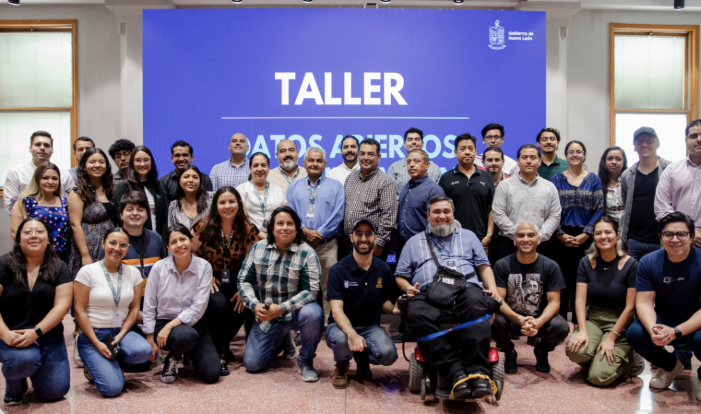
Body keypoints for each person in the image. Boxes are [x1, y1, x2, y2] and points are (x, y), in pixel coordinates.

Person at [395, 196, 502, 400]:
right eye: (436, 212)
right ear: (428, 215)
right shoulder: (413, 242)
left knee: (477, 304)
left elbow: (484, 266)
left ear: (453, 214)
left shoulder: (469, 237)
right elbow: (400, 275)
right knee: (415, 314)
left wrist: (493, 288)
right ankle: (456, 372)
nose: (442, 216)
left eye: (446, 211)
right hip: (427, 292)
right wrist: (407, 287)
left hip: (466, 288)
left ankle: (478, 373)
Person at [238, 206, 323, 382]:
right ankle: (284, 339)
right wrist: (255, 304)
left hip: (296, 312)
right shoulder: (258, 248)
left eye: (290, 224)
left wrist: (282, 308)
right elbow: (243, 280)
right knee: (253, 364)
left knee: (313, 314)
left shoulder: (307, 252)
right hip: (268, 314)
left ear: (297, 228)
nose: (285, 227)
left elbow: (312, 290)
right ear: (272, 228)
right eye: (280, 223)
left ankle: (306, 362)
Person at [626, 212, 701, 400]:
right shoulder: (648, 261)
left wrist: (676, 331)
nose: (675, 239)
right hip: (665, 317)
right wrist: (653, 330)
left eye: (681, 234)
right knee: (636, 334)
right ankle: (670, 366)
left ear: (691, 236)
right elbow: (644, 302)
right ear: (660, 237)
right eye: (668, 234)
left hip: (696, 321)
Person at [0, 217, 72, 405]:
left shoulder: (60, 267)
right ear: (18, 239)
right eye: (27, 232)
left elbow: (62, 306)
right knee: (23, 360)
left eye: (40, 232)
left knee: (55, 391)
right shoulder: (3, 264)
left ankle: (33, 368)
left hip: (48, 336)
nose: (34, 235)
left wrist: (36, 332)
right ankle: (15, 387)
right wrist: (5, 333)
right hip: (12, 335)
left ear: (48, 239)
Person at [566, 217, 644, 386]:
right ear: (593, 237)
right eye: (598, 233)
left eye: (608, 232)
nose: (603, 236)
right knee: (575, 351)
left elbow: (630, 307)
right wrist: (582, 330)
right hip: (594, 317)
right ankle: (597, 357)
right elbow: (580, 300)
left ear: (617, 235)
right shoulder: (585, 262)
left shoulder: (631, 264)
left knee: (598, 378)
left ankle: (631, 360)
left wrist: (611, 338)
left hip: (620, 321)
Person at [74, 228, 152, 397]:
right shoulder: (88, 272)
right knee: (112, 390)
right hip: (94, 335)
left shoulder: (133, 273)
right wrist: (96, 342)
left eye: (123, 245)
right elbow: (79, 311)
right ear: (103, 244)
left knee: (143, 352)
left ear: (127, 248)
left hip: (120, 332)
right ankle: (94, 366)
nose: (117, 248)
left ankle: (109, 365)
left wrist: (122, 333)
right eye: (112, 243)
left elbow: (134, 309)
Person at [191, 186, 259, 374]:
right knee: (219, 305)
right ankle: (220, 354)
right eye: (222, 202)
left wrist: (243, 289)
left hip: (236, 276)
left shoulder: (247, 228)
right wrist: (206, 273)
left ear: (239, 204)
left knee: (238, 310)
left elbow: (249, 263)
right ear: (215, 205)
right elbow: (191, 252)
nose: (227, 206)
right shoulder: (204, 225)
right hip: (210, 275)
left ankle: (219, 345)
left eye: (231, 202)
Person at [326, 217, 398, 389]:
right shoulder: (337, 270)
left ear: (375, 238)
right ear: (351, 238)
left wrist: (393, 309)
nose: (363, 238)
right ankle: (342, 363)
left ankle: (362, 358)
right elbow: (336, 310)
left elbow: (384, 301)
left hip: (369, 326)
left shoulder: (384, 269)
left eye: (368, 234)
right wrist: (352, 334)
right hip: (339, 326)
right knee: (341, 340)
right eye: (359, 234)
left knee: (388, 355)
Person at [143, 224, 220, 384]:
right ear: (167, 247)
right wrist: (150, 337)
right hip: (163, 324)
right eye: (173, 242)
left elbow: (198, 308)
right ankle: (174, 357)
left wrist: (170, 326)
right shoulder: (159, 268)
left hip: (194, 324)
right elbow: (149, 305)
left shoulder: (204, 267)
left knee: (212, 374)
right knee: (186, 336)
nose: (179, 245)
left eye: (183, 239)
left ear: (191, 241)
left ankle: (180, 354)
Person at [491, 221, 569, 374]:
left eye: (530, 235)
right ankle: (510, 352)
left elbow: (554, 303)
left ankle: (541, 351)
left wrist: (538, 322)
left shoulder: (551, 266)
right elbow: (499, 301)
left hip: (538, 320)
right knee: (494, 322)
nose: (526, 239)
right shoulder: (501, 265)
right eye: (521, 236)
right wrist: (519, 319)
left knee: (561, 327)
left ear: (538, 240)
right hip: (512, 319)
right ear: (514, 240)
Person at [286, 147, 345, 320]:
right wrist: (304, 230)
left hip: (328, 245)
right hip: (301, 245)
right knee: (300, 287)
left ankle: (329, 323)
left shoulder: (336, 186)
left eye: (319, 161)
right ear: (304, 163)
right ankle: (301, 325)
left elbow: (338, 214)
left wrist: (318, 234)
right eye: (311, 160)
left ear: (325, 164)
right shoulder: (293, 187)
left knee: (329, 287)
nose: (315, 164)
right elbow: (290, 213)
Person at [551, 140, 604, 320]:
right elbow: (550, 209)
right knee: (561, 280)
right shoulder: (556, 179)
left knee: (582, 280)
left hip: (586, 238)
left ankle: (579, 322)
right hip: (560, 238)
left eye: (579, 151)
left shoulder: (593, 179)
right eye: (571, 152)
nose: (575, 155)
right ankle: (559, 322)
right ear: (565, 156)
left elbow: (599, 209)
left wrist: (586, 234)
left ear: (584, 155)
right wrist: (560, 234)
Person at [492, 144, 561, 261]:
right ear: (517, 161)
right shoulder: (504, 186)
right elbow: (498, 214)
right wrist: (519, 236)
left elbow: (555, 216)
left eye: (533, 157)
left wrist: (537, 237)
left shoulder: (550, 187)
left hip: (542, 245)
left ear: (540, 161)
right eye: (524, 157)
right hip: (510, 245)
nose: (528, 161)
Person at [620, 127, 671, 259]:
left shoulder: (670, 170)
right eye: (640, 141)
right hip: (633, 241)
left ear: (658, 143)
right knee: (630, 272)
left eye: (649, 141)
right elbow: (626, 204)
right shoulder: (627, 174)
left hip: (661, 239)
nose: (644, 144)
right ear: (634, 146)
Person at [439, 134, 495, 254]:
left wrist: (489, 235)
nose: (467, 152)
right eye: (462, 149)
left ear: (475, 151)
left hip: (481, 240)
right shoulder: (446, 178)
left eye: (470, 148)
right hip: (452, 238)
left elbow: (491, 209)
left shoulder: (486, 177)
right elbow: (440, 210)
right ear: (455, 152)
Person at [343, 139, 397, 260]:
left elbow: (388, 216)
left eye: (371, 154)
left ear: (378, 157)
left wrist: (380, 243)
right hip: (349, 243)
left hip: (371, 244)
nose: (366, 158)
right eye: (362, 154)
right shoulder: (351, 177)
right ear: (358, 155)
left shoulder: (385, 181)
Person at [67, 148, 117, 277]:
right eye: (92, 162)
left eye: (101, 162)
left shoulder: (112, 189)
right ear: (84, 166)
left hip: (110, 246)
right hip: (88, 247)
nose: (97, 165)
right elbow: (74, 225)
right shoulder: (77, 192)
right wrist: (85, 255)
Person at [98, 191, 168, 282]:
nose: (135, 213)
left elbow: (163, 271)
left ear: (147, 215)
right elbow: (101, 273)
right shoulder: (112, 239)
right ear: (121, 215)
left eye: (140, 210)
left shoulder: (156, 238)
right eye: (130, 209)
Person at [655, 119, 701, 250]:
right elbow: (661, 207)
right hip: (675, 242)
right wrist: (686, 231)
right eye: (693, 136)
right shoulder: (672, 170)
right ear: (686, 141)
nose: (699, 139)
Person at [10, 163, 70, 263]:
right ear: (37, 180)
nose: (50, 182)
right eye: (45, 178)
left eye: (54, 178)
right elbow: (15, 232)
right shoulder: (25, 202)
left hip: (62, 254)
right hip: (33, 254)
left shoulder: (66, 202)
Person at [4, 131, 74, 214]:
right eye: (38, 144)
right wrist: (30, 221)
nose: (42, 148)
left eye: (46, 145)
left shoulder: (64, 173)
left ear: (52, 149)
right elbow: (10, 204)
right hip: (27, 220)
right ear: (30, 148)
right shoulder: (16, 172)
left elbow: (72, 202)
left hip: (59, 219)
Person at [397, 149, 445, 258]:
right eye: (409, 162)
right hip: (403, 247)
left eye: (416, 161)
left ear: (427, 165)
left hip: (424, 248)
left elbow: (440, 224)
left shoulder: (434, 190)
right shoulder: (406, 187)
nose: (411, 165)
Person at [113, 145, 168, 236]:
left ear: (151, 162)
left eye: (146, 160)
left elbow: (164, 216)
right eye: (138, 160)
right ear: (132, 163)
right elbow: (120, 217)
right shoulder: (124, 186)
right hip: (132, 238)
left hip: (157, 238)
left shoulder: (158, 186)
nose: (142, 164)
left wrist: (162, 240)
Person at [236, 152, 286, 238]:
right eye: (255, 165)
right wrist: (264, 236)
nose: (259, 169)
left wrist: (274, 236)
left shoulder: (278, 190)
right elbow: (243, 219)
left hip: (276, 238)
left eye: (263, 165)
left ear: (269, 167)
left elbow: (284, 216)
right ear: (250, 168)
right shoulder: (241, 189)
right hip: (250, 237)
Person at [387, 128, 442, 199]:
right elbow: (390, 196)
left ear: (422, 144)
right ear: (404, 144)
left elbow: (438, 196)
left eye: (417, 139)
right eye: (410, 139)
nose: (413, 142)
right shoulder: (394, 168)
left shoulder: (435, 168)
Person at [167, 165, 213, 231]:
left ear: (200, 181)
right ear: (179, 181)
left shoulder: (212, 198)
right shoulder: (174, 205)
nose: (191, 180)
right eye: (186, 177)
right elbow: (171, 232)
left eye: (195, 177)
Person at [598, 146, 628, 225]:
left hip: (628, 227)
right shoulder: (597, 184)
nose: (614, 162)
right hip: (607, 228)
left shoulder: (629, 182)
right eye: (610, 159)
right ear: (604, 162)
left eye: (618, 159)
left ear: (623, 162)